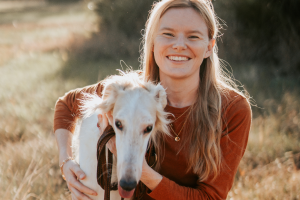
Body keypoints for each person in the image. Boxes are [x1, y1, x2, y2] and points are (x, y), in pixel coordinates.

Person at [54, 0, 252, 199]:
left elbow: (211, 197)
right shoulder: (128, 93)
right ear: (153, 42)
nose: (179, 45)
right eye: (168, 34)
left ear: (209, 47)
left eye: (193, 36)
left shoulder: (233, 109)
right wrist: (66, 162)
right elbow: (66, 105)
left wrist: (140, 171)